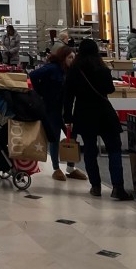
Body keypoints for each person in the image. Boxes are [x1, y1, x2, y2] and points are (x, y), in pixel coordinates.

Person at [63, 38, 133, 201]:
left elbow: (68, 96)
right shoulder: (102, 68)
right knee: (114, 148)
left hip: (84, 113)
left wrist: (68, 118)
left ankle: (95, 186)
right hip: (104, 112)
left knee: (90, 150)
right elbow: (110, 89)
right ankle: (118, 187)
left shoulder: (75, 70)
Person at [30, 46, 86, 182]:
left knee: (71, 137)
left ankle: (70, 167)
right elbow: (33, 75)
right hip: (52, 109)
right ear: (63, 57)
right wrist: (42, 92)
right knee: (54, 138)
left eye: (73, 57)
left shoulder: (71, 71)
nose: (72, 60)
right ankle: (56, 168)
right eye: (70, 57)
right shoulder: (52, 68)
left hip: (66, 110)